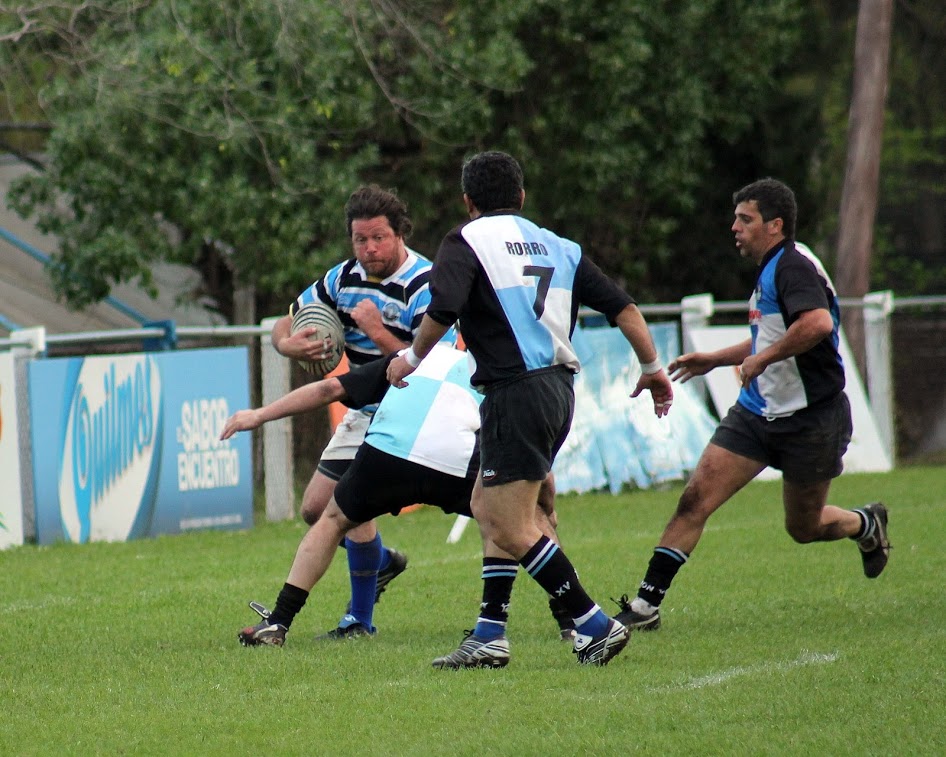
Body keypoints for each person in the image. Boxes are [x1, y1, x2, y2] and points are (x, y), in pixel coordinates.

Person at [387, 150, 674, 666]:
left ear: (468, 201)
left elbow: (444, 306)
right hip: (557, 389)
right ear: (521, 197)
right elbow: (624, 307)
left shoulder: (466, 239)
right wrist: (652, 366)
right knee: (487, 504)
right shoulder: (559, 245)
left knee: (512, 524)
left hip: (514, 391)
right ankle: (489, 634)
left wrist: (410, 356)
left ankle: (593, 625)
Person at [612, 177, 891, 632]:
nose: (735, 227)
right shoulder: (772, 267)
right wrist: (716, 359)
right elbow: (774, 334)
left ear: (775, 225)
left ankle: (864, 524)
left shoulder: (792, 267)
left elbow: (817, 323)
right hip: (758, 413)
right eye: (736, 218)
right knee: (695, 499)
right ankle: (646, 607)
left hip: (812, 420)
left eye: (746, 219)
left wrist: (760, 358)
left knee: (803, 527)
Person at [227, 343, 568, 664]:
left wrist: (258, 416)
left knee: (331, 519)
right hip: (454, 459)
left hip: (388, 454)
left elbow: (328, 390)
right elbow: (530, 460)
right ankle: (574, 620)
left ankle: (278, 622)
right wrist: (546, 506)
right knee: (517, 518)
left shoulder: (409, 356)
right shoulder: (498, 368)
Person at [270, 185, 454, 637]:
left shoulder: (425, 284)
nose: (369, 249)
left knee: (350, 509)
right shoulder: (341, 278)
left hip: (417, 412)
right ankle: (382, 561)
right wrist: (286, 342)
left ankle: (359, 619)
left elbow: (432, 363)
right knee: (316, 509)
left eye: (378, 238)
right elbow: (288, 317)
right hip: (366, 409)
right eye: (360, 239)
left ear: (399, 235)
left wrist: (375, 329)